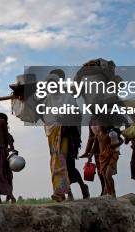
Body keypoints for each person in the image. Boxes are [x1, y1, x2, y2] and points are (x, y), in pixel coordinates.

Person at [44, 70, 90, 202]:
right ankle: (65, 193)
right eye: (48, 85)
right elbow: (47, 118)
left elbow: (77, 116)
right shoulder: (48, 99)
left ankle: (67, 190)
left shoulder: (68, 97)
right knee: (58, 163)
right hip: (53, 136)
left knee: (65, 164)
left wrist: (65, 120)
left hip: (67, 136)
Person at [91, 126, 122, 197]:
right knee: (105, 177)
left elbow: (120, 141)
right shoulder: (98, 135)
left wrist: (115, 145)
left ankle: (113, 193)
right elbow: (94, 146)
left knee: (108, 175)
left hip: (112, 155)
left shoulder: (111, 134)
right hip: (102, 157)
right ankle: (109, 193)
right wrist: (90, 157)